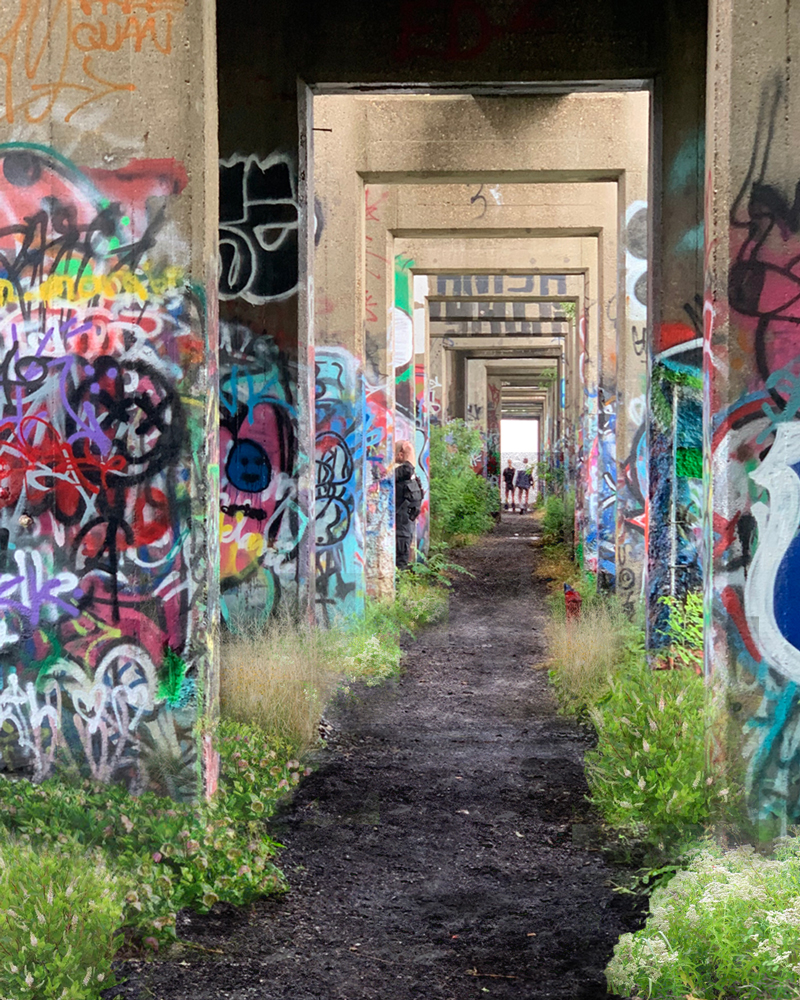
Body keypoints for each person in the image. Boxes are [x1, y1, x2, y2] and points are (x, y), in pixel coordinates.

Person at [394, 440, 423, 570]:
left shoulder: (406, 473)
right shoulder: (406, 475)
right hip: (402, 529)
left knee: (401, 561)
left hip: (404, 528)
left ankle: (400, 586)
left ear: (400, 454)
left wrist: (408, 451)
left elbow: (407, 468)